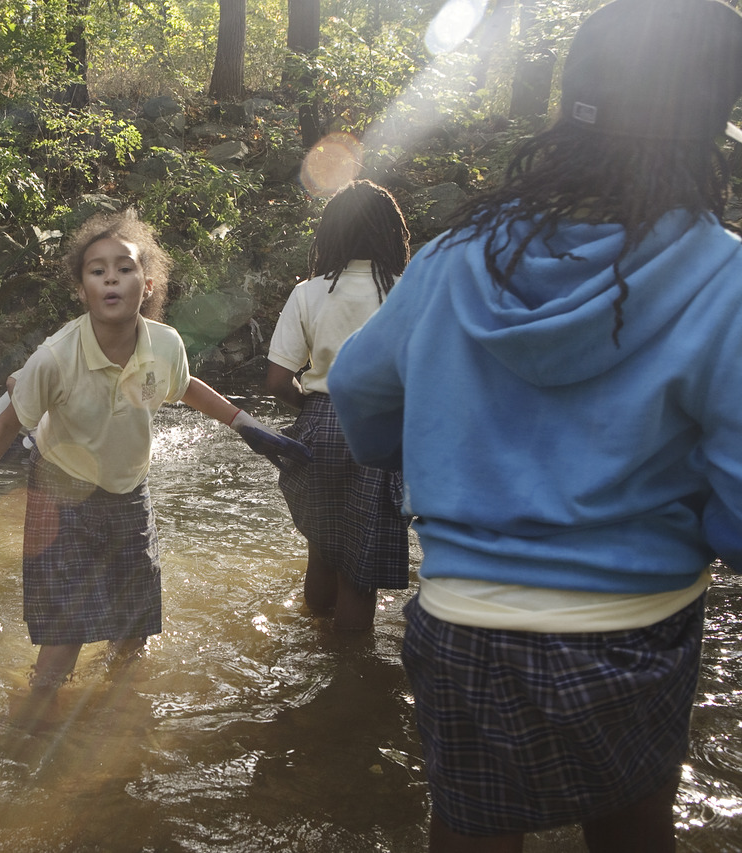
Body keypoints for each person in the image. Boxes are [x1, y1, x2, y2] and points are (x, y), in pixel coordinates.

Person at [326, 0, 742, 850]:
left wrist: (433, 455)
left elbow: (358, 393)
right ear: (707, 131)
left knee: (470, 830)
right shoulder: (723, 276)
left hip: (464, 619)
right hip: (635, 625)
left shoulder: (452, 255)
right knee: (634, 831)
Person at [0, 208, 309, 704]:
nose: (111, 278)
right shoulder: (56, 356)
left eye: (124, 268)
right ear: (82, 290)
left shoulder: (163, 344)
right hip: (60, 492)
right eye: (97, 270)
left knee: (134, 631)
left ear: (146, 284)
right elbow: (7, 424)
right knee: (65, 637)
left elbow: (185, 387)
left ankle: (115, 722)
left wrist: (245, 424)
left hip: (128, 493)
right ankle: (32, 725)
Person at [265, 180, 412, 630]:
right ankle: (349, 676)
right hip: (383, 431)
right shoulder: (407, 292)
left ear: (330, 235)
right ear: (392, 234)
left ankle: (313, 643)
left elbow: (276, 379)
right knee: (360, 569)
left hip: (319, 424)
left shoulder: (309, 292)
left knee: (323, 547)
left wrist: (310, 409)